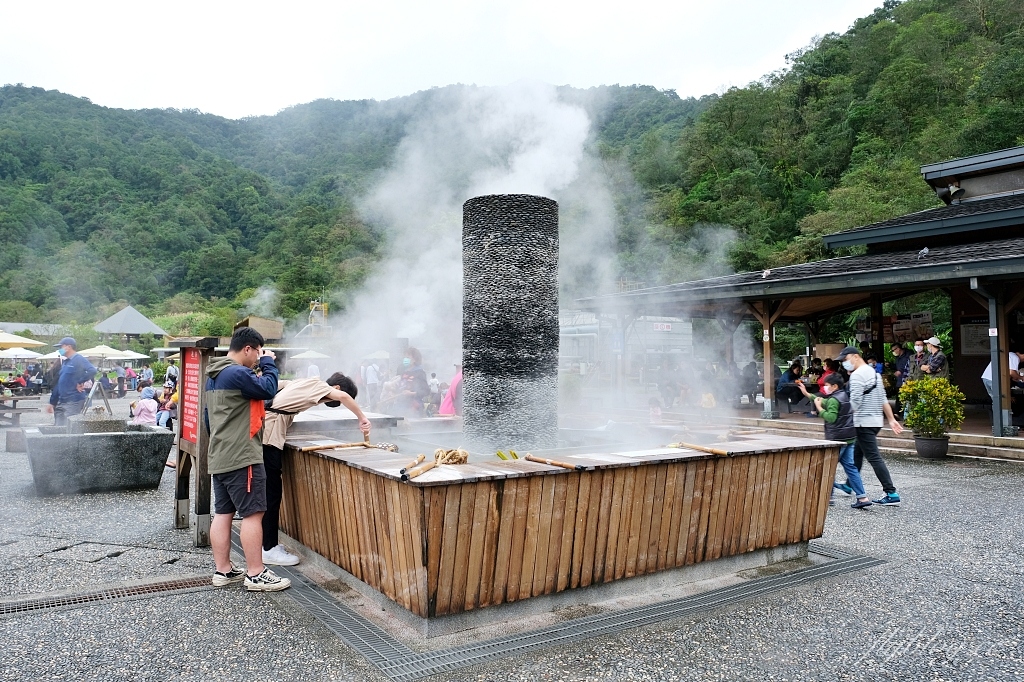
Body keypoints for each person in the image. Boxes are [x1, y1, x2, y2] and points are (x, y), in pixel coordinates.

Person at [206, 327, 289, 592]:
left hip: (220, 454)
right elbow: (268, 389)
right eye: (257, 353)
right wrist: (269, 362)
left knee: (223, 513)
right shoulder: (238, 373)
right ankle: (256, 573)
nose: (257, 359)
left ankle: (223, 570)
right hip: (242, 456)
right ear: (248, 349)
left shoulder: (214, 375)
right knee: (253, 514)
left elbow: (209, 420)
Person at [261, 371, 372, 566]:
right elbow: (344, 396)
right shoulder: (321, 387)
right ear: (336, 388)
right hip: (269, 435)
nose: (335, 402)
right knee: (272, 493)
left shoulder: (305, 381)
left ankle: (266, 545)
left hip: (265, 429)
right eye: (335, 399)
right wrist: (362, 418)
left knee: (269, 492)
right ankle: (268, 548)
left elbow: (276, 385)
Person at [837, 346, 904, 506]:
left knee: (873, 457)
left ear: (855, 356)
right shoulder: (874, 373)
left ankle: (891, 492)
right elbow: (883, 398)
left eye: (845, 360)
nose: (845, 364)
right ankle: (849, 485)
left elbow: (855, 402)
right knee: (857, 454)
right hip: (875, 422)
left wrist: (840, 418)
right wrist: (891, 419)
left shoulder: (857, 375)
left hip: (862, 422)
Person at [797, 375, 872, 508]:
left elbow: (831, 417)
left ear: (834, 386)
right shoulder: (843, 395)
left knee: (828, 467)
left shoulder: (834, 399)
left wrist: (819, 408)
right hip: (849, 438)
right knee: (851, 468)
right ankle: (862, 497)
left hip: (837, 439)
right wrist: (806, 393)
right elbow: (823, 401)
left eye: (827, 385)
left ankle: (828, 497)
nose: (825, 387)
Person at [45, 337, 97, 427]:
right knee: (58, 427)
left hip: (73, 400)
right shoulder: (65, 362)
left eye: (61, 347)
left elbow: (92, 370)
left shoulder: (78, 359)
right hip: (61, 401)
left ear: (68, 347)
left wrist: (80, 382)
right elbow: (59, 383)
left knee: (70, 427)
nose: (59, 350)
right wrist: (52, 402)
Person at [891, 343, 910, 416]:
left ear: (898, 349)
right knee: (899, 396)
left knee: (904, 397)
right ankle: (897, 413)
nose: (893, 352)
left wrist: (900, 371)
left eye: (894, 350)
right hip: (899, 380)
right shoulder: (898, 357)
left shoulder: (908, 356)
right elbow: (897, 366)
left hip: (906, 379)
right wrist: (890, 365)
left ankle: (898, 413)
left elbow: (908, 367)